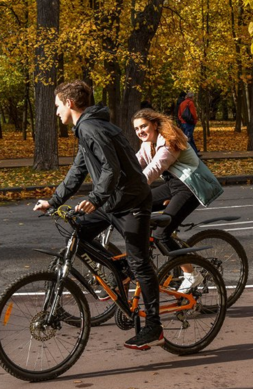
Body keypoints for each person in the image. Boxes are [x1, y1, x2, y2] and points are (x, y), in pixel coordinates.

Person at [33, 81, 164, 351]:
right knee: (75, 231)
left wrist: (94, 199)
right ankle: (120, 271)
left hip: (132, 201)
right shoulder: (87, 128)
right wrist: (54, 201)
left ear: (69, 103)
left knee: (140, 263)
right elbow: (78, 169)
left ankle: (154, 326)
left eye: (57, 105)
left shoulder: (91, 127)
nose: (56, 111)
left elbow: (111, 169)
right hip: (114, 200)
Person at [133, 108, 223, 291]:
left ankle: (191, 275)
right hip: (173, 185)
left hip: (189, 186)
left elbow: (155, 168)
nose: (140, 131)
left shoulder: (169, 142)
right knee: (136, 208)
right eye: (136, 129)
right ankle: (164, 250)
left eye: (143, 126)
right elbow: (135, 165)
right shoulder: (147, 144)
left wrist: (134, 189)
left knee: (160, 234)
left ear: (155, 124)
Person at [177, 91, 200, 155]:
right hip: (189, 123)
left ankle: (194, 151)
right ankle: (192, 153)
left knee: (187, 137)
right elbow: (193, 113)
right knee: (188, 138)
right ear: (192, 97)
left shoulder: (182, 103)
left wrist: (181, 120)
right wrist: (195, 120)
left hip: (183, 122)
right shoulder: (190, 103)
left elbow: (179, 114)